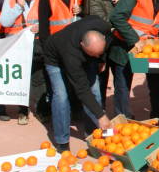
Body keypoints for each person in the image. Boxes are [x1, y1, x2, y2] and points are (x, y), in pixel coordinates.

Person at [44, 16, 112, 152]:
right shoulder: (71, 55)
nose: (97, 56)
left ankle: (93, 134)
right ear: (82, 45)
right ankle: (62, 141)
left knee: (96, 91)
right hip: (55, 59)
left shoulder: (102, 26)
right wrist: (101, 115)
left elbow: (109, 39)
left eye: (99, 52)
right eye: (95, 54)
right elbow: (82, 89)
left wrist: (101, 58)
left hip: (85, 55)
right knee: (61, 96)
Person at [0, 0, 44, 125]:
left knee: (38, 78)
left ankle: (39, 109)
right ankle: (22, 111)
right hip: (17, 45)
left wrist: (41, 27)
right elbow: (5, 21)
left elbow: (48, 19)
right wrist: (18, 7)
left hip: (37, 43)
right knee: (21, 80)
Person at [82, 0, 120, 115]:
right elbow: (101, 22)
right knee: (100, 83)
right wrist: (117, 11)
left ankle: (120, 113)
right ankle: (99, 114)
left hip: (113, 44)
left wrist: (118, 3)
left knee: (118, 80)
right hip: (100, 47)